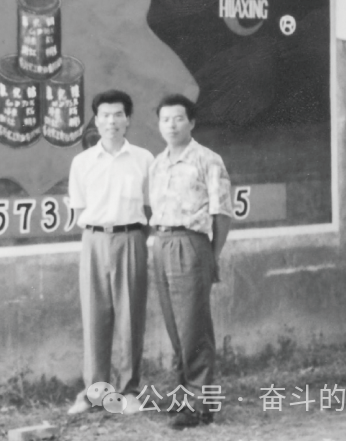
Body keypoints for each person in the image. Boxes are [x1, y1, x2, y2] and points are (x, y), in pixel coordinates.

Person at [66, 90, 154, 415]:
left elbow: (151, 206)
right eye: (105, 115)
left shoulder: (144, 159)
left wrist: (135, 237)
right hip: (93, 240)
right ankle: (95, 392)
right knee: (94, 318)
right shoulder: (82, 163)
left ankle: (130, 391)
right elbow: (80, 207)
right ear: (96, 120)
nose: (111, 121)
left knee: (131, 320)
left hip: (131, 238)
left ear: (128, 119)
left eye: (118, 115)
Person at [148, 94, 233, 429]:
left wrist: (211, 255)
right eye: (165, 119)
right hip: (161, 242)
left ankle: (201, 405)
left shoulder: (207, 160)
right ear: (159, 124)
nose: (172, 125)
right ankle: (184, 396)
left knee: (193, 327)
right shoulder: (158, 163)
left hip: (191, 243)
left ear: (192, 122)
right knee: (175, 326)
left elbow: (221, 212)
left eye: (179, 118)